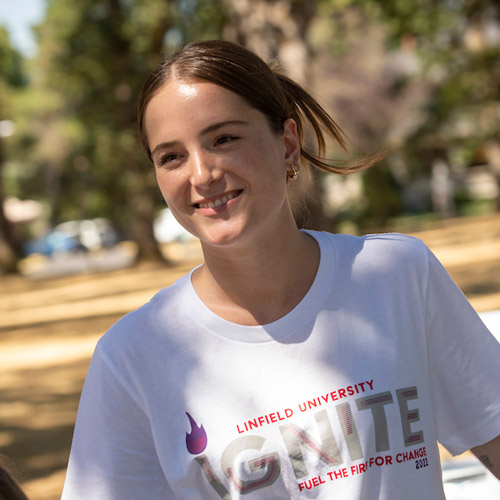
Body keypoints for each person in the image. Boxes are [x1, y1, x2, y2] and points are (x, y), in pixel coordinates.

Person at [61, 40, 500, 499]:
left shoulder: (398, 275)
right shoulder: (131, 358)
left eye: (224, 139)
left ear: (287, 144)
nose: (202, 173)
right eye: (171, 156)